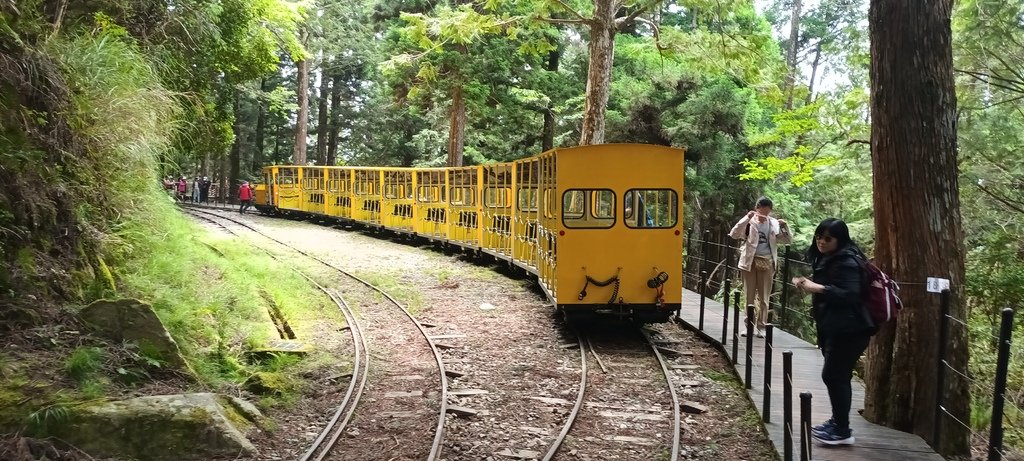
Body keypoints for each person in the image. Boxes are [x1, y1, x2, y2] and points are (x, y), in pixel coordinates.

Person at [791, 218, 875, 446]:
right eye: (819, 236)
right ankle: (838, 422)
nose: (821, 241)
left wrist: (815, 287)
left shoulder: (846, 260)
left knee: (834, 375)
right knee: (838, 375)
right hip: (839, 327)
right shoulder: (832, 258)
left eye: (828, 238)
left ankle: (842, 430)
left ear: (840, 239)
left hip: (850, 329)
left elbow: (850, 294)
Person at [728, 196, 791, 337]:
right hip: (749, 262)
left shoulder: (773, 223)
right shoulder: (749, 222)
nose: (764, 216)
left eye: (767, 213)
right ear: (757, 209)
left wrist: (784, 226)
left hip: (767, 262)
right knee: (749, 296)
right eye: (762, 212)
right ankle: (748, 326)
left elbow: (787, 240)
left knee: (764, 297)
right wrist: (746, 218)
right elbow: (734, 234)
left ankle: (761, 326)